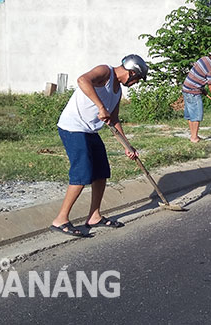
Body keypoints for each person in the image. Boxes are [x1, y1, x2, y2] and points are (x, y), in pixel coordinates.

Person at [51, 54, 147, 236]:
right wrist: (101, 107)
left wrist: (127, 145)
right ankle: (60, 220)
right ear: (131, 72)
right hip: (73, 127)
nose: (135, 84)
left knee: (101, 171)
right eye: (136, 80)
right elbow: (82, 80)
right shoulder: (105, 72)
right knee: (82, 172)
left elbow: (114, 119)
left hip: (90, 130)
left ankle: (94, 216)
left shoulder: (117, 91)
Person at [181, 46, 211, 143]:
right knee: (197, 115)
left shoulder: (203, 59)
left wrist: (202, 89)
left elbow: (197, 74)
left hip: (186, 88)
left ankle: (193, 135)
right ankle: (194, 138)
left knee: (191, 114)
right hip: (193, 91)